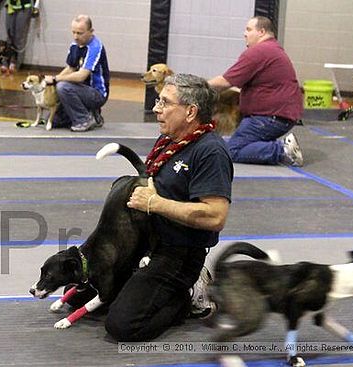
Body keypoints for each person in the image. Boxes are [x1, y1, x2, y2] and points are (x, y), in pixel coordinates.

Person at [104, 74, 233, 342]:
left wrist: (154, 203)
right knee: (89, 290)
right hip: (148, 242)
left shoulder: (210, 152)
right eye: (158, 101)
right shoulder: (169, 141)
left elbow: (216, 216)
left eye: (165, 102)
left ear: (190, 112)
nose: (156, 108)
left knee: (122, 325)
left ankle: (186, 296)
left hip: (179, 254)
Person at [208, 16, 304, 167]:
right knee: (228, 143)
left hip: (269, 118)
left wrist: (196, 86)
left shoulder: (259, 51)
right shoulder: (273, 49)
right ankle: (274, 146)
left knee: (231, 150)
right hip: (279, 115)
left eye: (248, 29)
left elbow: (225, 81)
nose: (244, 34)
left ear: (261, 32)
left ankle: (282, 150)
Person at [44, 14, 109, 132]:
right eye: (73, 32)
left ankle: (83, 119)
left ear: (91, 31)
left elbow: (81, 76)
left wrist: (55, 79)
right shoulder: (75, 45)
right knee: (52, 120)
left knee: (63, 87)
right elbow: (70, 68)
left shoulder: (95, 47)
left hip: (96, 93)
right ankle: (93, 115)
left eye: (80, 33)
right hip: (80, 89)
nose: (75, 36)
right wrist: (51, 82)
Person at [0, 0, 35, 74]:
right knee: (9, 36)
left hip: (24, 8)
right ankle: (5, 62)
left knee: (19, 37)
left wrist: (35, 8)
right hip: (11, 7)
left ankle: (14, 62)